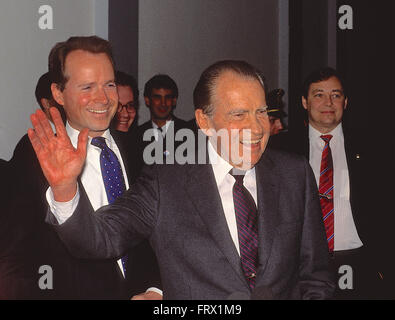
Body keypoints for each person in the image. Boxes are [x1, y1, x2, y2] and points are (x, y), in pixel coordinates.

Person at [29, 60, 335, 299]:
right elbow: (100, 239)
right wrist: (65, 188)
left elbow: (316, 274)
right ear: (204, 121)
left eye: (261, 112)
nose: (256, 128)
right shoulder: (166, 182)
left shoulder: (294, 174)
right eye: (239, 115)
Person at [7, 36, 161, 299]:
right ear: (58, 94)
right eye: (87, 87)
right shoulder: (34, 156)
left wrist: (155, 289)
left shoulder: (140, 150)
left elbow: (157, 236)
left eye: (109, 84)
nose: (102, 98)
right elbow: (15, 256)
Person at [270, 67, 389, 299]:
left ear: (345, 102)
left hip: (360, 263)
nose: (328, 102)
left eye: (336, 95)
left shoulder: (374, 148)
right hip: (301, 268)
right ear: (304, 102)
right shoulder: (281, 149)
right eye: (319, 94)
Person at [136, 74, 189, 164]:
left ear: (174, 101)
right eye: (157, 97)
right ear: (147, 100)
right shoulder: (136, 136)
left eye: (167, 98)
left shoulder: (189, 133)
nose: (163, 103)